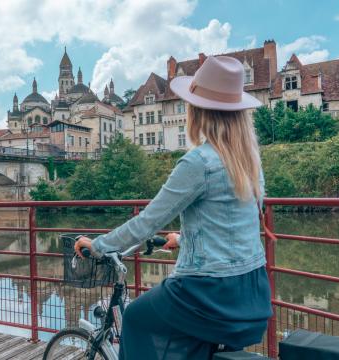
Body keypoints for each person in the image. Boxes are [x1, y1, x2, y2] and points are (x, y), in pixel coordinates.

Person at [74, 56, 272, 359]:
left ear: (198, 111)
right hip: (253, 292)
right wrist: (182, 239)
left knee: (138, 317)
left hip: (210, 294)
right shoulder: (250, 161)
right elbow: (235, 221)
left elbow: (147, 222)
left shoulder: (199, 162)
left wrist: (98, 245)